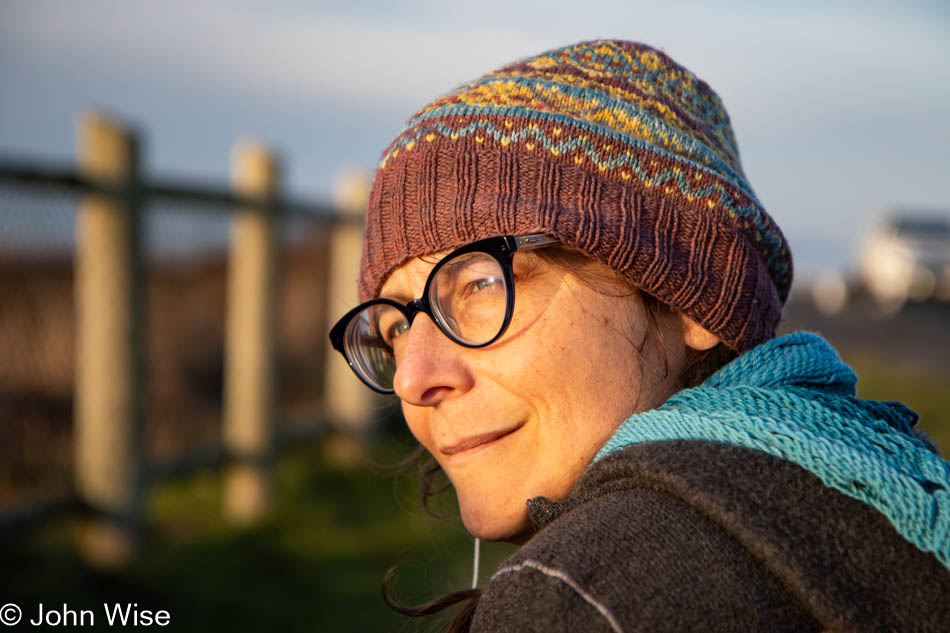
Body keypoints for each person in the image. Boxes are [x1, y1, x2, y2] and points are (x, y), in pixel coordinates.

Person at [329, 40, 950, 632]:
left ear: (693, 297)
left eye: (481, 286)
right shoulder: (877, 487)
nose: (411, 379)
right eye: (396, 326)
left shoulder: (582, 594)